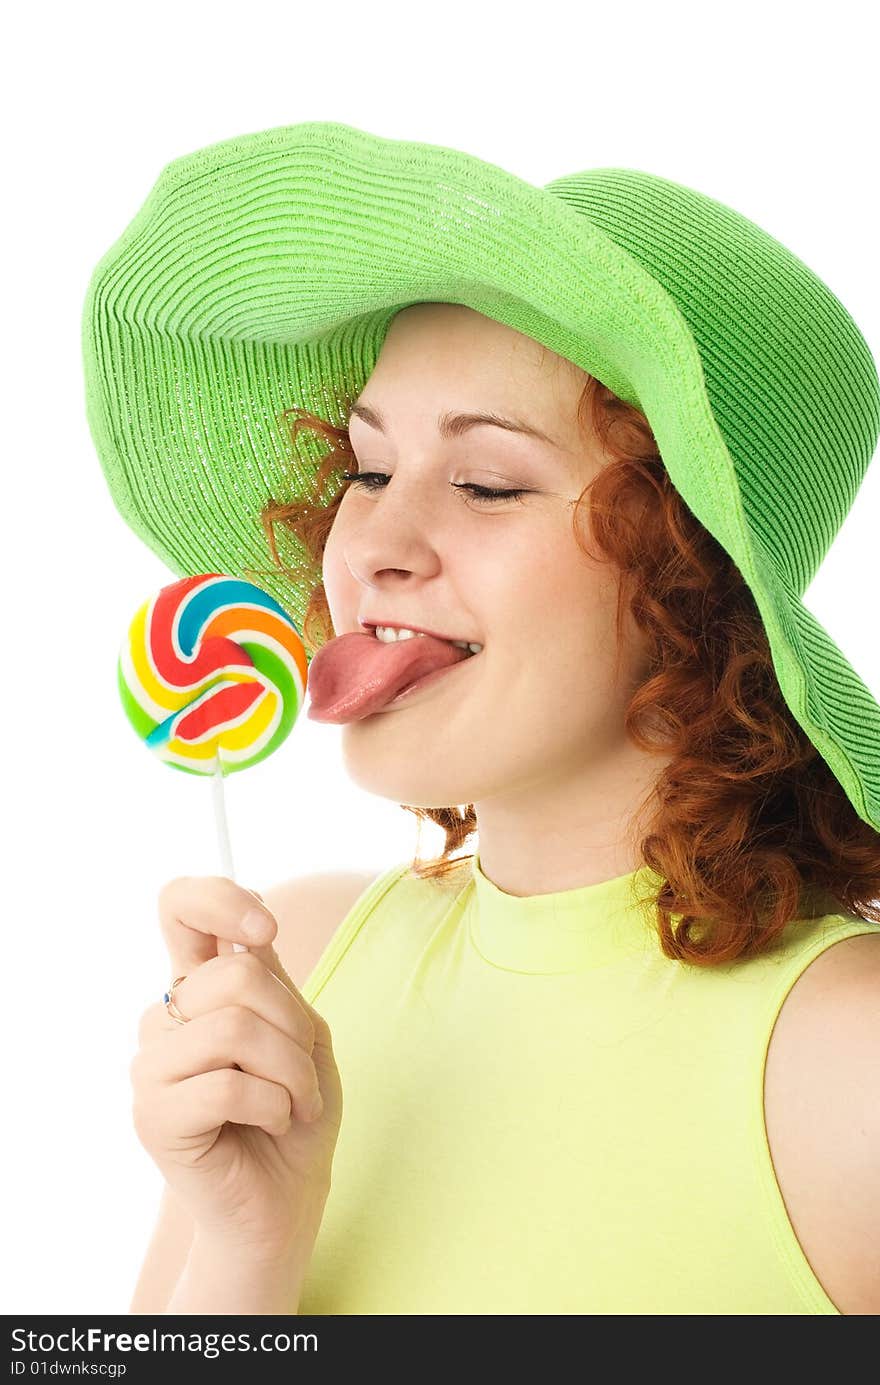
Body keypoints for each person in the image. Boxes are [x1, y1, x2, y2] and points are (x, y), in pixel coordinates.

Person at [83, 123, 880, 1316]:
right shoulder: (295, 960)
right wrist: (249, 1247)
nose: (370, 549)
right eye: (364, 468)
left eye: (486, 481)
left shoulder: (843, 1063)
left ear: (692, 580)